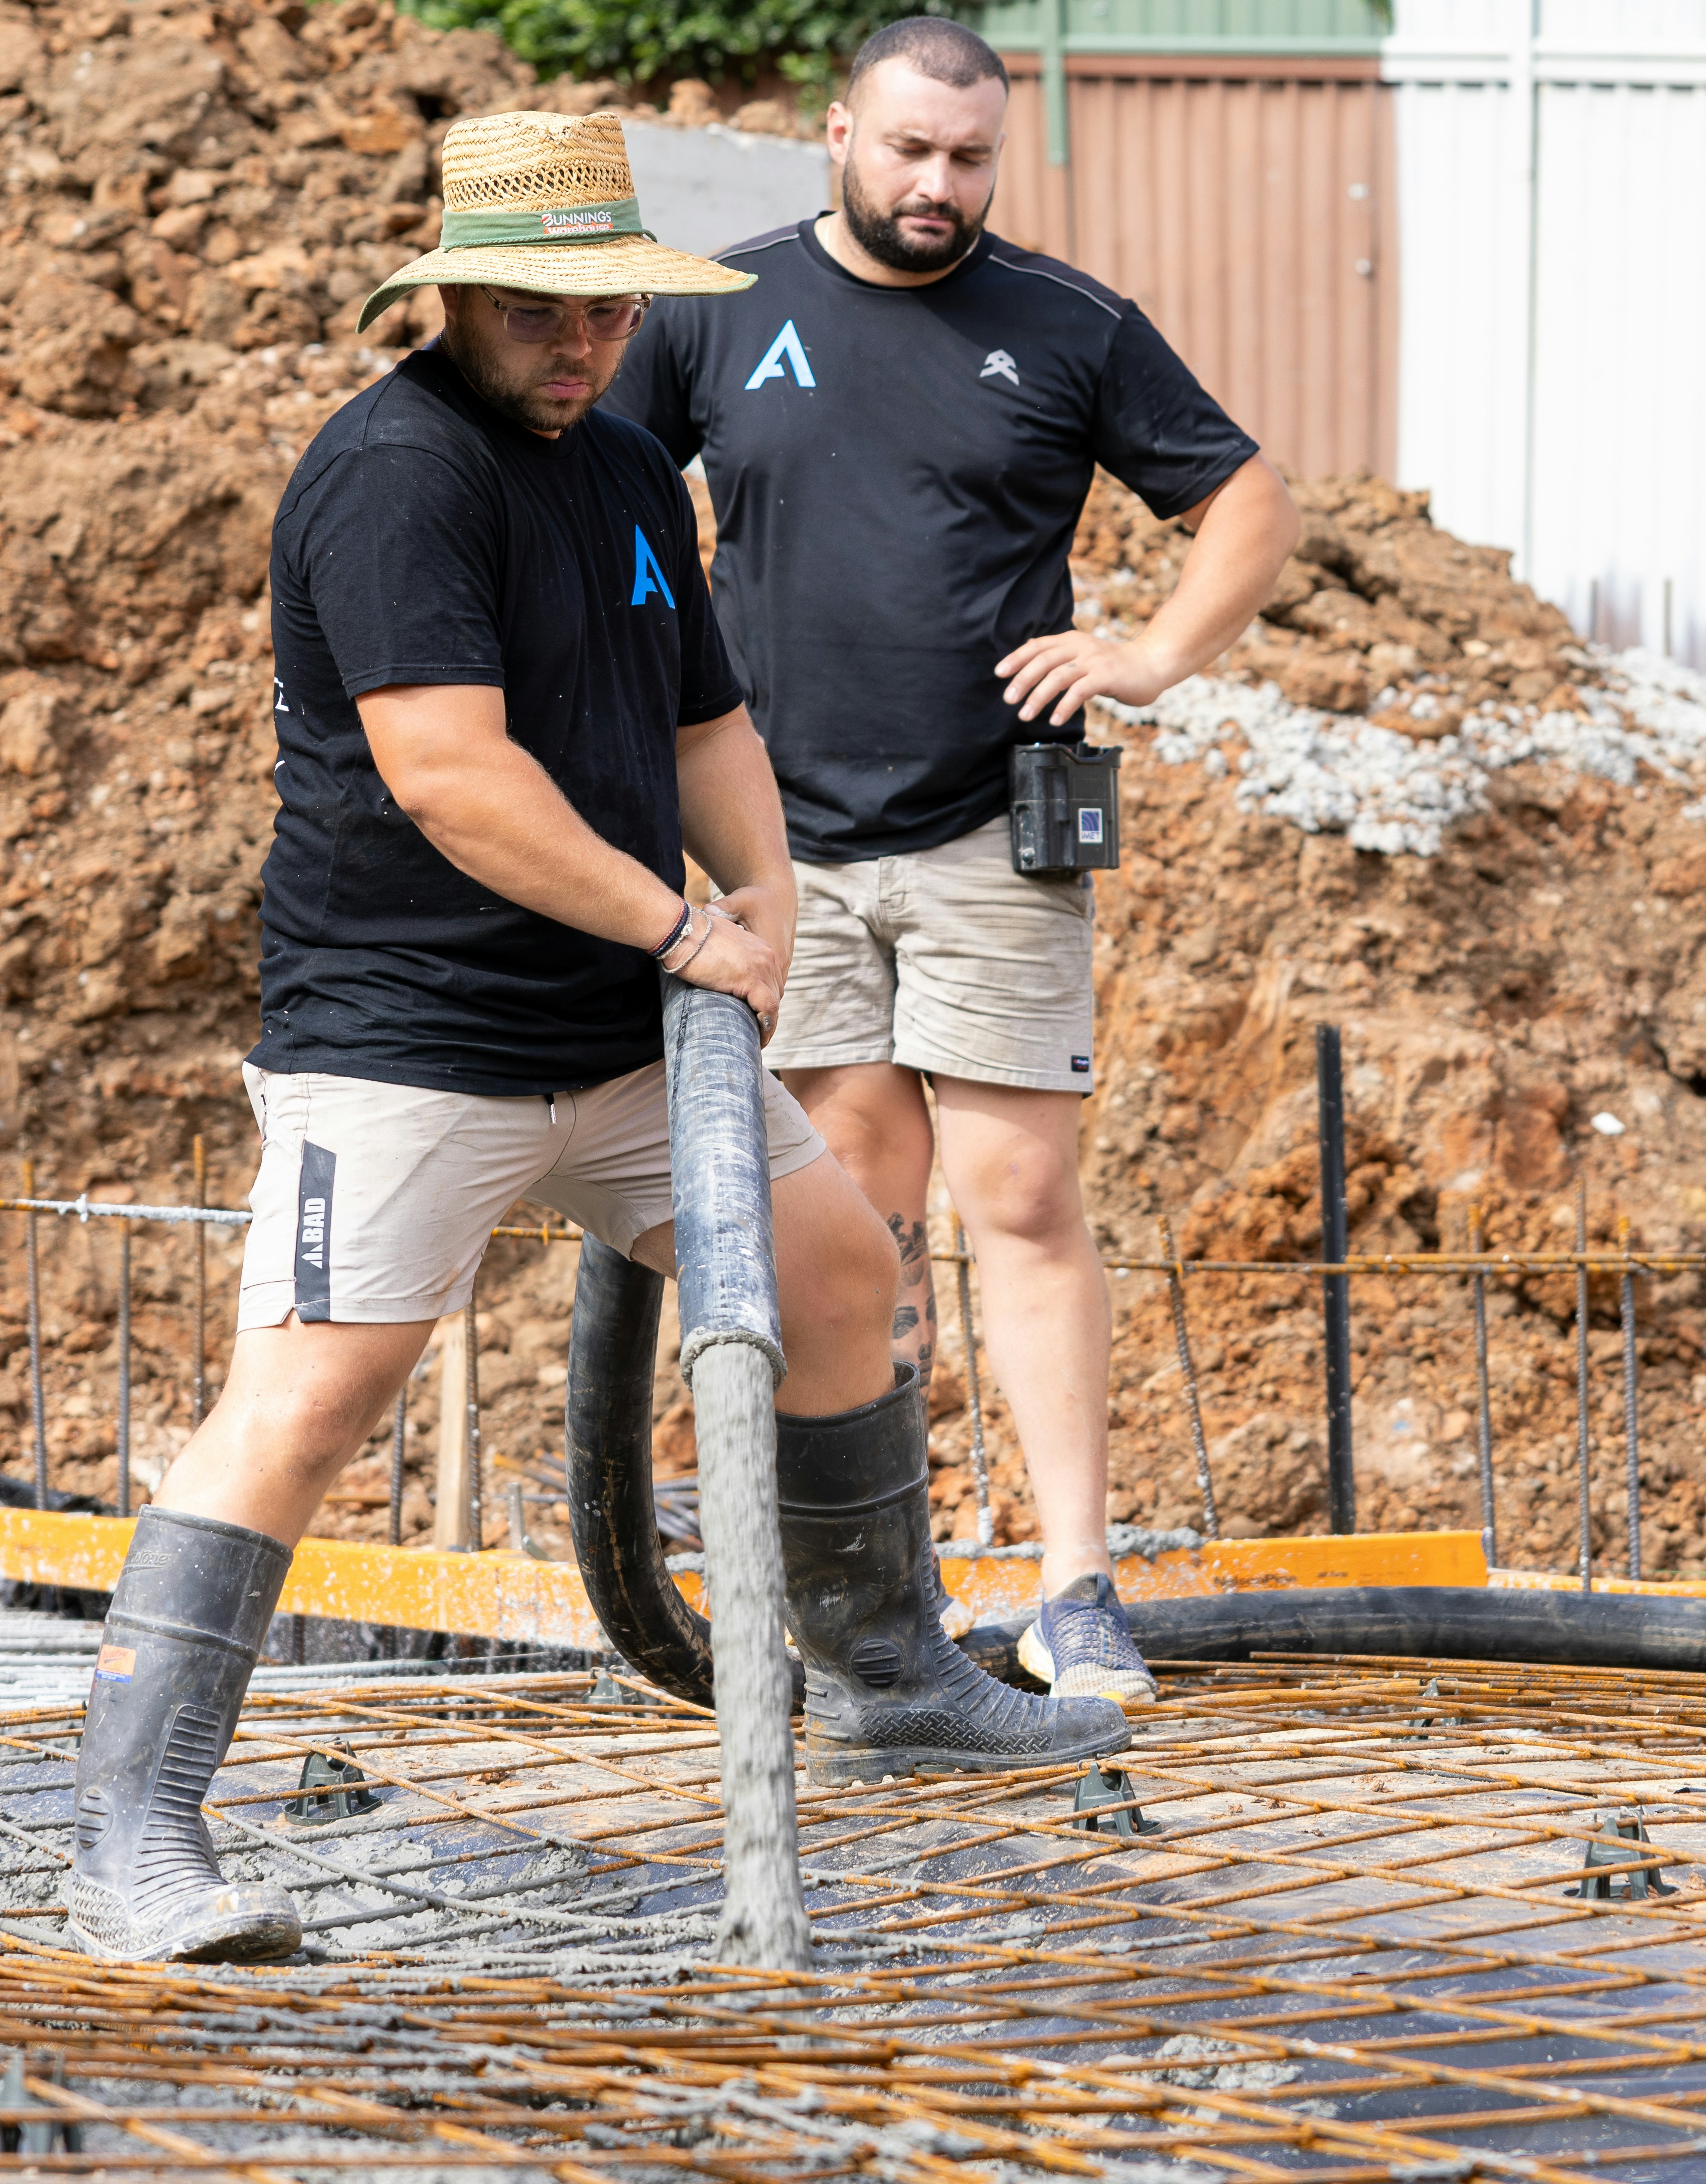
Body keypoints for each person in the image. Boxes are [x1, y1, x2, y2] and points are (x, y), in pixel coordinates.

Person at [64, 109, 1126, 1973]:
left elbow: (705, 713)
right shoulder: (396, 473)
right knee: (310, 1399)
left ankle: (883, 1668)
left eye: (608, 319)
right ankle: (132, 1836)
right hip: (408, 1037)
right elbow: (448, 776)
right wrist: (682, 926)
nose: (581, 349)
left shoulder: (629, 467)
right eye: (545, 315)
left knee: (837, 1271)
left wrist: (767, 893)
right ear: (457, 292)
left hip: (628, 1038)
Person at [608, 23, 1300, 1712]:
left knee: (1022, 1201)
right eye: (910, 150)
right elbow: (602, 502)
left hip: (998, 831)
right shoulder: (715, 305)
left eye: (970, 159)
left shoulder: (1064, 326)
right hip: (781, 847)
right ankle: (877, 1595)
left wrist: (1146, 654)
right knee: (853, 1216)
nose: (938, 187)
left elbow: (1250, 500)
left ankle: (1073, 1590)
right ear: (839, 134)